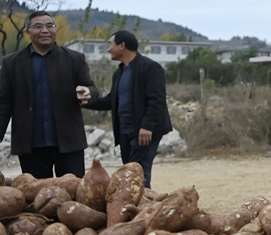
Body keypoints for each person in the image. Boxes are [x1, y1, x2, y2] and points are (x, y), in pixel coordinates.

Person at [0, 11, 98, 178]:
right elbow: (3, 103)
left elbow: (91, 88)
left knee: (72, 196)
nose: (45, 30)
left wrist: (87, 92)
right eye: (38, 26)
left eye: (49, 25)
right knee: (37, 197)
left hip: (69, 142)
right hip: (31, 144)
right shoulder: (12, 63)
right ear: (27, 32)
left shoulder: (74, 59)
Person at [86, 30, 172, 189]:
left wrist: (147, 126)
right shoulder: (118, 74)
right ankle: (136, 208)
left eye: (110, 44)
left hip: (145, 132)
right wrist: (85, 101)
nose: (108, 49)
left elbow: (157, 100)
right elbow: (109, 102)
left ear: (122, 45)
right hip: (125, 132)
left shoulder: (150, 67)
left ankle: (144, 209)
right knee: (130, 173)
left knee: (138, 173)